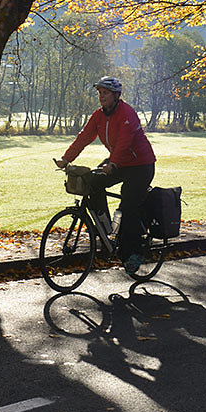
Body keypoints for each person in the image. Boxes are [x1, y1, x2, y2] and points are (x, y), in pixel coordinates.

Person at [54, 76, 156, 275]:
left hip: (140, 165)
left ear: (116, 96)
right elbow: (84, 137)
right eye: (100, 93)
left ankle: (134, 252)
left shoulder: (127, 114)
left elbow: (124, 143)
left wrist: (113, 164)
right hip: (118, 162)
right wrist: (66, 159)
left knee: (128, 207)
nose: (101, 97)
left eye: (106, 93)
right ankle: (106, 230)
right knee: (91, 180)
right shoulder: (99, 116)